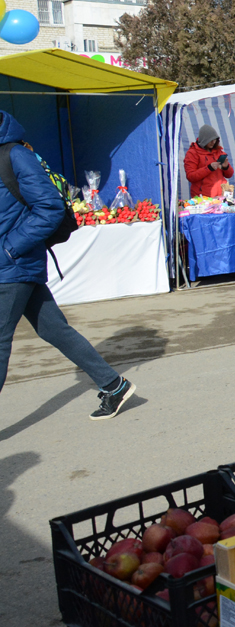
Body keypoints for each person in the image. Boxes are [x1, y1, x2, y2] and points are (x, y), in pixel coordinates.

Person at [0, 112, 136, 418]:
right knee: (56, 330)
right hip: (13, 265)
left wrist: (10, 248)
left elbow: (48, 207)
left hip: (12, 265)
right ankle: (114, 386)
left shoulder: (15, 155)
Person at [184, 125, 233, 198]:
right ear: (204, 140)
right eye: (210, 140)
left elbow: (229, 175)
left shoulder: (218, 151)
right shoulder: (192, 153)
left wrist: (226, 167)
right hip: (203, 198)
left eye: (215, 139)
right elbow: (191, 176)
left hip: (221, 196)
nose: (213, 142)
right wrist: (209, 168)